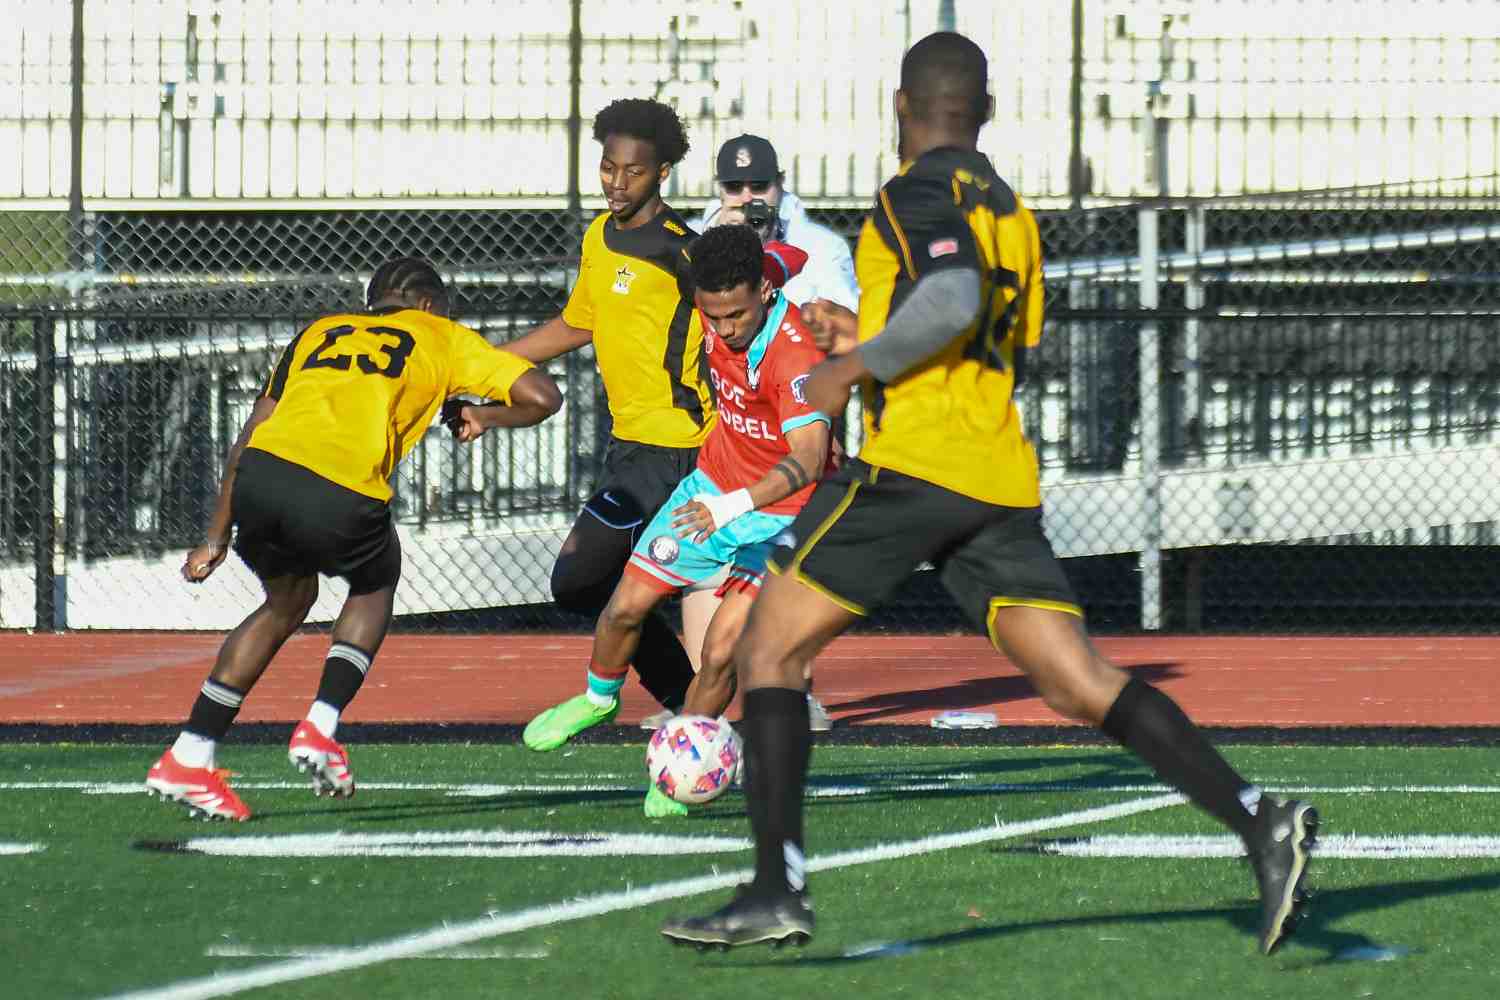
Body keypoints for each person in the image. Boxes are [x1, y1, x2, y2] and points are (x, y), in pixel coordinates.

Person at [660, 32, 1319, 956]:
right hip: (998, 475)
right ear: (990, 111)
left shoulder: (913, 191)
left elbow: (955, 298)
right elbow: (993, 332)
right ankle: (1259, 819)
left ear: (900, 107)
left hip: (918, 465)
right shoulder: (1011, 207)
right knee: (1074, 678)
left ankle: (776, 889)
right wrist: (868, 326)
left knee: (768, 649)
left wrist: (855, 364)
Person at [145, 257, 562, 821]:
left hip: (262, 478)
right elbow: (543, 397)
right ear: (429, 306)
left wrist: (215, 538)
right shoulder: (442, 334)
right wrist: (484, 417)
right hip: (338, 485)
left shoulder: (318, 332)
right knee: (375, 579)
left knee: (286, 602)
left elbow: (249, 434)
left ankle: (189, 753)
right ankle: (321, 725)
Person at [551, 226, 831, 819]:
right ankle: (598, 699)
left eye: (736, 315)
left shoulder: (795, 353)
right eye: (714, 316)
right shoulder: (739, 281)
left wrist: (728, 510)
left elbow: (807, 461)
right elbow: (785, 254)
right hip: (711, 486)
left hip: (780, 516)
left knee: (722, 651)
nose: (725, 329)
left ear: (762, 290)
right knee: (625, 606)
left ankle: (681, 765)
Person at [509, 98, 713, 749]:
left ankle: (649, 706)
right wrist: (485, 365)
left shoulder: (685, 253)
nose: (617, 182)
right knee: (598, 586)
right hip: (630, 450)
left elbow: (735, 331)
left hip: (680, 453)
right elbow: (578, 323)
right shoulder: (599, 237)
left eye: (633, 171)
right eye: (607, 167)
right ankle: (690, 721)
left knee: (582, 580)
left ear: (662, 174)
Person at [693, 133, 860, 732]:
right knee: (712, 568)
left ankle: (793, 689)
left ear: (779, 185)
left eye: (757, 186)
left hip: (797, 425)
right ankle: (703, 707)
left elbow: (843, 333)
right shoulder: (700, 242)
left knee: (786, 570)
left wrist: (767, 268)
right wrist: (727, 241)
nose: (747, 197)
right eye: (734, 187)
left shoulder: (817, 246)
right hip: (732, 425)